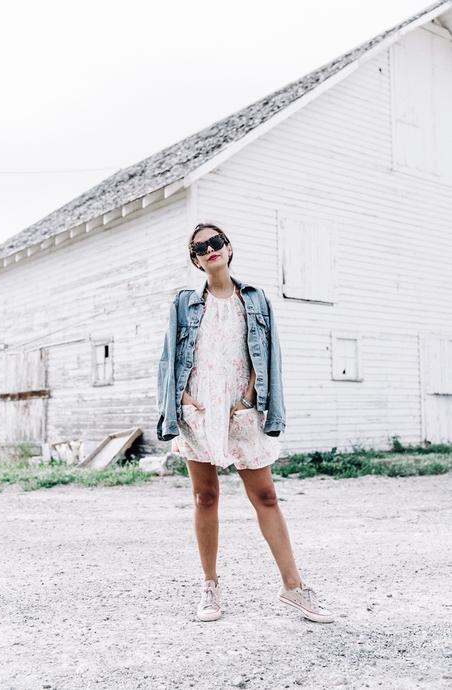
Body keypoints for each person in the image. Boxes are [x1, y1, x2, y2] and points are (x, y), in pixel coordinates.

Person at [156, 222, 334, 624]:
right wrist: (181, 400)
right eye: (201, 247)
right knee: (205, 496)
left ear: (229, 248)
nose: (210, 249)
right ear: (196, 260)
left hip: (242, 408)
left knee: (266, 495)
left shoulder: (254, 299)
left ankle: (293, 588)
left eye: (216, 242)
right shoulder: (183, 303)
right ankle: (210, 586)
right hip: (199, 407)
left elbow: (269, 354)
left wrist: (252, 397)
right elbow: (169, 358)